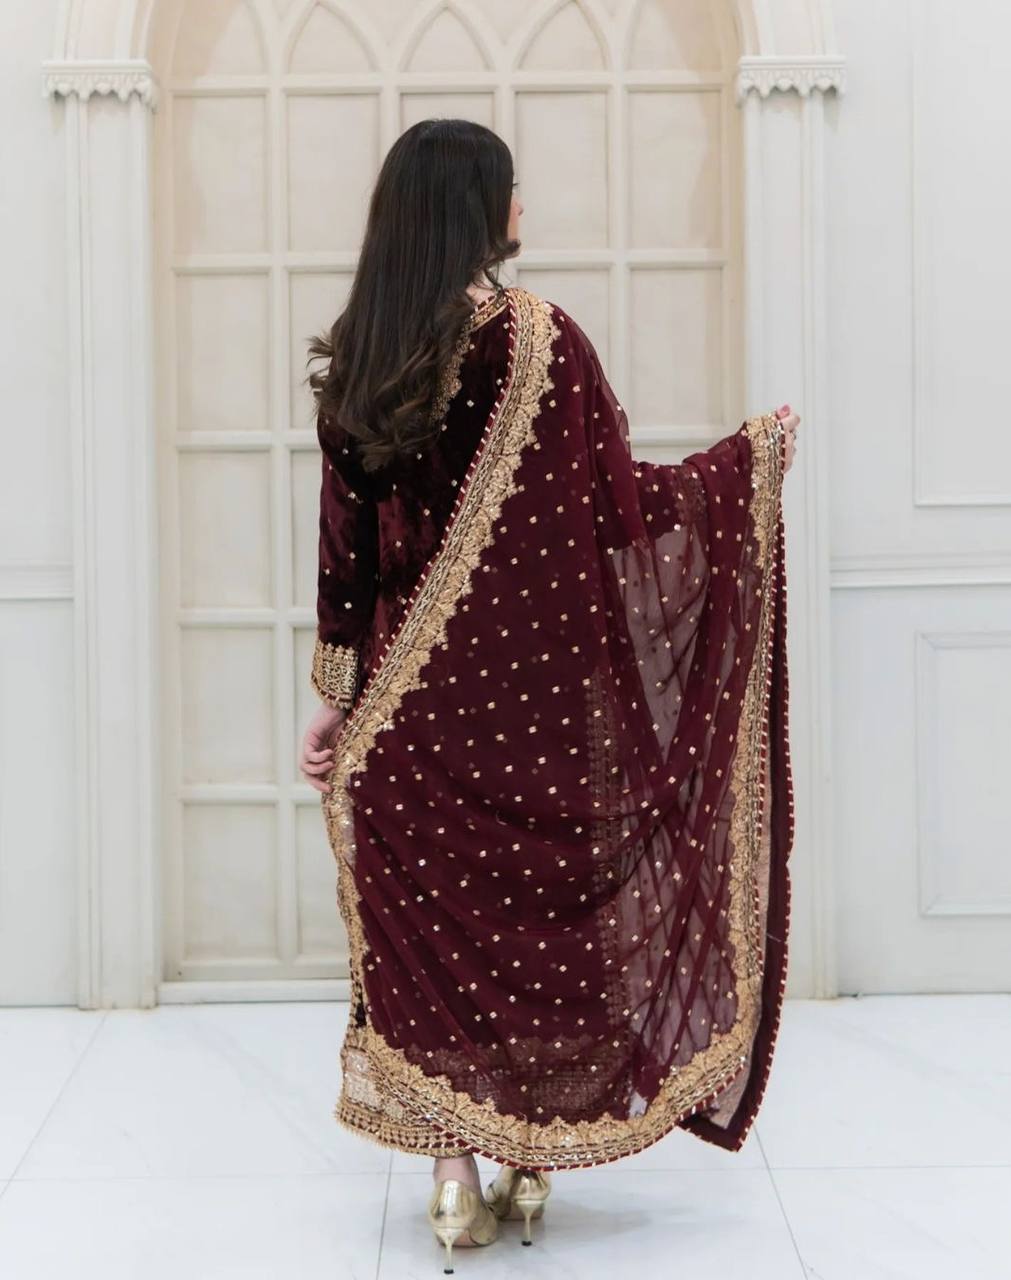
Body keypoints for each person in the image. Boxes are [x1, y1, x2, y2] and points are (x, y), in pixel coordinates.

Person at [298, 118, 799, 1273]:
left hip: (407, 720)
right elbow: (621, 510)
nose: (523, 206)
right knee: (536, 933)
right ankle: (530, 1157)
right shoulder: (540, 339)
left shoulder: (361, 356)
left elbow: (346, 560)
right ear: (476, 208)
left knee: (439, 947)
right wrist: (746, 463)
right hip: (531, 713)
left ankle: (451, 1181)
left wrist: (332, 697)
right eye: (510, 188)